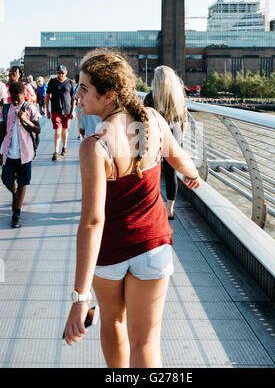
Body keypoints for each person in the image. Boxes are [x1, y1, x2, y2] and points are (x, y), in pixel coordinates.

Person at [63, 49, 200, 368]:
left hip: (110, 253)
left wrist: (80, 298)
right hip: (153, 247)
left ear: (108, 95)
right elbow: (179, 159)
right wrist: (192, 176)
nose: (77, 94)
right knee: (147, 342)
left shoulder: (94, 147)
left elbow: (93, 223)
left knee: (112, 322)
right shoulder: (152, 120)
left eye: (84, 87)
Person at [144, 66, 188, 219]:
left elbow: (146, 121)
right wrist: (180, 137)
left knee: (152, 171)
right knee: (171, 174)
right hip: (174, 138)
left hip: (155, 138)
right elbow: (184, 121)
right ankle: (170, 210)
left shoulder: (150, 98)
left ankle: (153, 206)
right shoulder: (178, 98)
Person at [0, 82, 40, 228]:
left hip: (25, 152)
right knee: (6, 179)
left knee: (23, 182)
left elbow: (38, 130)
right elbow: (2, 130)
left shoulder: (30, 108)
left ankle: (16, 213)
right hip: (9, 153)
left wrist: (25, 120)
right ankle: (16, 194)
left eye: (19, 97)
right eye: (14, 98)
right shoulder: (6, 109)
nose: (16, 101)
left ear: (24, 95)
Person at [45, 65, 75, 160]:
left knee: (64, 130)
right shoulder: (52, 82)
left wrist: (73, 111)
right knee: (57, 130)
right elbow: (47, 96)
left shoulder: (70, 82)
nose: (60, 74)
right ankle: (56, 152)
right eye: (59, 72)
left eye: (62, 72)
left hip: (67, 110)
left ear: (66, 72)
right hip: (55, 110)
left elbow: (73, 98)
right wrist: (47, 110)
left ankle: (64, 147)